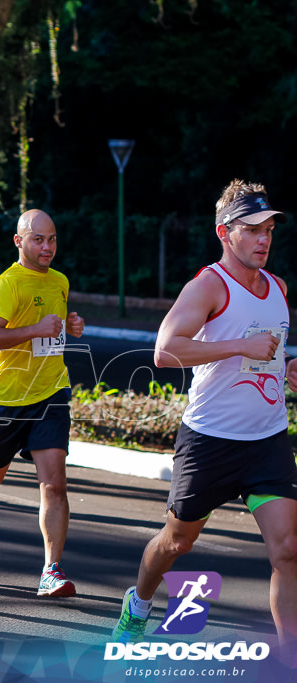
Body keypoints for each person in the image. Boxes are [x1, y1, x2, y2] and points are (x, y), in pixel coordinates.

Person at [112, 180, 297, 664]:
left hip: (267, 441)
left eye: (270, 228)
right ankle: (139, 602)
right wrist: (238, 346)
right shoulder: (208, 286)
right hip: (210, 441)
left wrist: (286, 368)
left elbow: (266, 353)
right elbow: (165, 350)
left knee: (289, 549)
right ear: (225, 232)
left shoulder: (277, 287)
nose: (264, 238)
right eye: (253, 229)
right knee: (176, 541)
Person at [0, 208, 85, 598]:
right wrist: (34, 330)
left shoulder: (60, 280)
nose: (47, 247)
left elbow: (52, 328)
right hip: (4, 398)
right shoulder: (7, 284)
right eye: (38, 239)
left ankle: (52, 571)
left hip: (50, 393)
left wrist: (70, 325)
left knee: (55, 484)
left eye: (52, 239)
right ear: (19, 241)